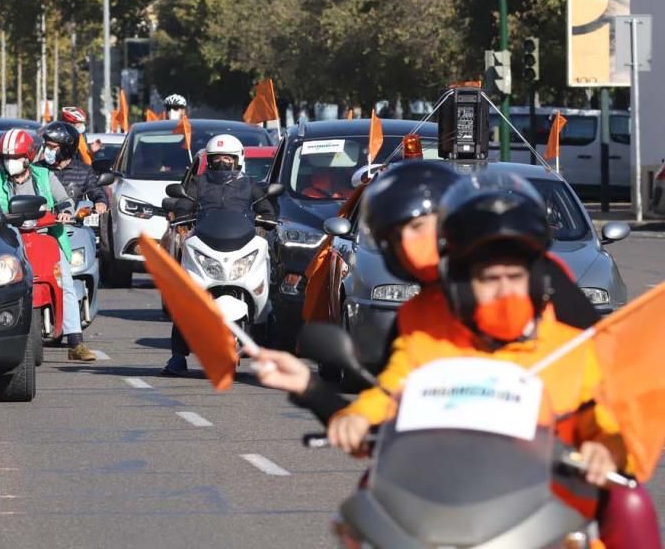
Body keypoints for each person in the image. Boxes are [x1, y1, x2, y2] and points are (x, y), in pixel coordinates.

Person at [254, 172, 659, 547]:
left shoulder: (569, 347)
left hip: (548, 497)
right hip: (444, 489)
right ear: (461, 284)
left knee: (629, 500)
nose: (503, 288)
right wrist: (356, 416)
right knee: (367, 504)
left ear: (537, 281)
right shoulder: (428, 334)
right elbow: (392, 393)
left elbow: (608, 410)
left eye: (515, 276)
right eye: (488, 277)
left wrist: (607, 448)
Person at [162, 134, 273, 376]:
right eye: (217, 158)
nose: (222, 162)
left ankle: (266, 351)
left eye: (228, 158)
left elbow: (266, 207)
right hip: (204, 245)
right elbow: (184, 204)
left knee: (267, 294)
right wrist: (180, 216)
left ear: (238, 160)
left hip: (242, 246)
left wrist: (269, 216)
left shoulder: (250, 185)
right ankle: (177, 357)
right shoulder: (198, 184)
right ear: (208, 161)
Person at [0, 128, 96, 362]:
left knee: (65, 283)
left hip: (46, 238)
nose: (11, 163)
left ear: (27, 157)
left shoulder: (44, 176)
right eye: (7, 158)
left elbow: (64, 200)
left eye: (16, 157)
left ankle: (76, 342)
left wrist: (67, 212)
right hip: (10, 242)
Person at [36, 121, 108, 214]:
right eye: (46, 146)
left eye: (52, 147)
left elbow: (96, 190)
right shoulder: (37, 169)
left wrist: (100, 202)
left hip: (72, 223)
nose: (47, 150)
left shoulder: (84, 171)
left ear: (66, 149)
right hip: (42, 224)